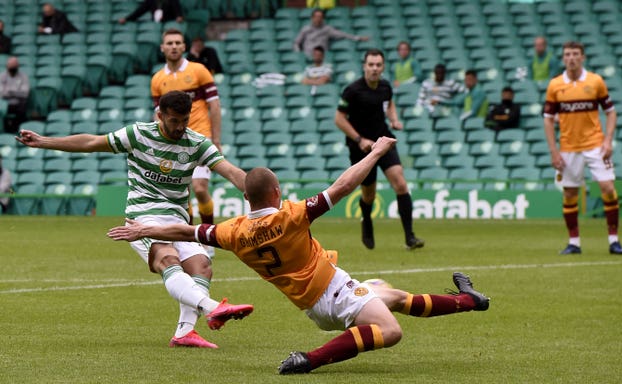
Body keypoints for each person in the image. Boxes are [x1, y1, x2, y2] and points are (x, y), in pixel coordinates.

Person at [107, 136, 490, 374]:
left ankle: (468, 300)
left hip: (313, 308)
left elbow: (186, 230)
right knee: (391, 331)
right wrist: (375, 153)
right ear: (275, 191)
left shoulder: (233, 232)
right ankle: (310, 360)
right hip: (334, 292)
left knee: (388, 294)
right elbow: (343, 185)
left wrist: (144, 229)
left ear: (247, 197)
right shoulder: (292, 217)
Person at [16, 90, 254, 348]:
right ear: (160, 115)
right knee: (168, 259)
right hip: (142, 216)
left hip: (176, 219)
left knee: (202, 265)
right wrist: (44, 141)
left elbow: (230, 171)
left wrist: (260, 196)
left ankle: (185, 332)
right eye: (174, 120)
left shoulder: (196, 143)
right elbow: (90, 143)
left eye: (185, 120)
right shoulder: (138, 134)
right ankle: (212, 307)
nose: (180, 127)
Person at [543, 41, 622, 255]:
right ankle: (574, 243)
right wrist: (554, 151)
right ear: (563, 58)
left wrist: (608, 140)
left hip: (595, 145)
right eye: (567, 54)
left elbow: (611, 112)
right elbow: (548, 120)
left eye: (575, 54)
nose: (571, 58)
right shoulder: (555, 85)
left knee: (608, 188)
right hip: (569, 148)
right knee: (570, 193)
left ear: (583, 57)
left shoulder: (595, 81)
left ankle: (614, 241)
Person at [335, 49, 424, 250]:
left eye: (378, 65)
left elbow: (389, 104)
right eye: (371, 64)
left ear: (383, 67)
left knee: (400, 183)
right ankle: (366, 220)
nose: (375, 68)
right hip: (361, 147)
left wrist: (394, 119)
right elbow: (338, 119)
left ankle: (410, 237)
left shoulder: (385, 87)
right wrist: (359, 139)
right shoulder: (352, 90)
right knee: (369, 195)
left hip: (383, 140)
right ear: (364, 66)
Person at [152, 28, 222, 229]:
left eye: (177, 43)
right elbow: (158, 115)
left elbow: (215, 106)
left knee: (200, 189)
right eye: (170, 43)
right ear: (162, 48)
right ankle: (192, 238)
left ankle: (208, 239)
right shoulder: (157, 80)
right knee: (183, 194)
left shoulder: (199, 71)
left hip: (200, 138)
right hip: (174, 142)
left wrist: (216, 140)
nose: (174, 46)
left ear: (184, 46)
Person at [294, 8, 369, 59]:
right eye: (316, 17)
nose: (318, 19)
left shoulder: (327, 29)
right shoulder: (305, 29)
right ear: (312, 18)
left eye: (320, 17)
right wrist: (299, 55)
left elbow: (342, 34)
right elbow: (297, 43)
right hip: (307, 57)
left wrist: (358, 38)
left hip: (322, 58)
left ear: (323, 19)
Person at [0, 57, 30, 133]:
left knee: (23, 106)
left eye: (14, 67)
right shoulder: (2, 76)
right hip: (5, 104)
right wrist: (16, 92)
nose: (12, 69)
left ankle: (19, 131)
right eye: (10, 67)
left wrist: (11, 92)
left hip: (18, 104)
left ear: (17, 67)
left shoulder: (23, 77)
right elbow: (2, 93)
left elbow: (25, 93)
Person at [119, 0, 184, 24]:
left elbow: (177, 10)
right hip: (155, 25)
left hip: (168, 24)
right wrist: (126, 19)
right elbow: (139, 12)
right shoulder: (150, 1)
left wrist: (179, 16)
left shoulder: (172, 0)